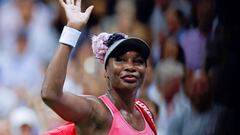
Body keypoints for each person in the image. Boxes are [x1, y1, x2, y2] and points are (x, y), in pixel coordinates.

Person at [41, 0, 156, 135]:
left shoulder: (146, 112)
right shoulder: (97, 112)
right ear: (106, 70)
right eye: (120, 60)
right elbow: (51, 94)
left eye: (138, 61)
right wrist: (71, 30)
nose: (130, 66)